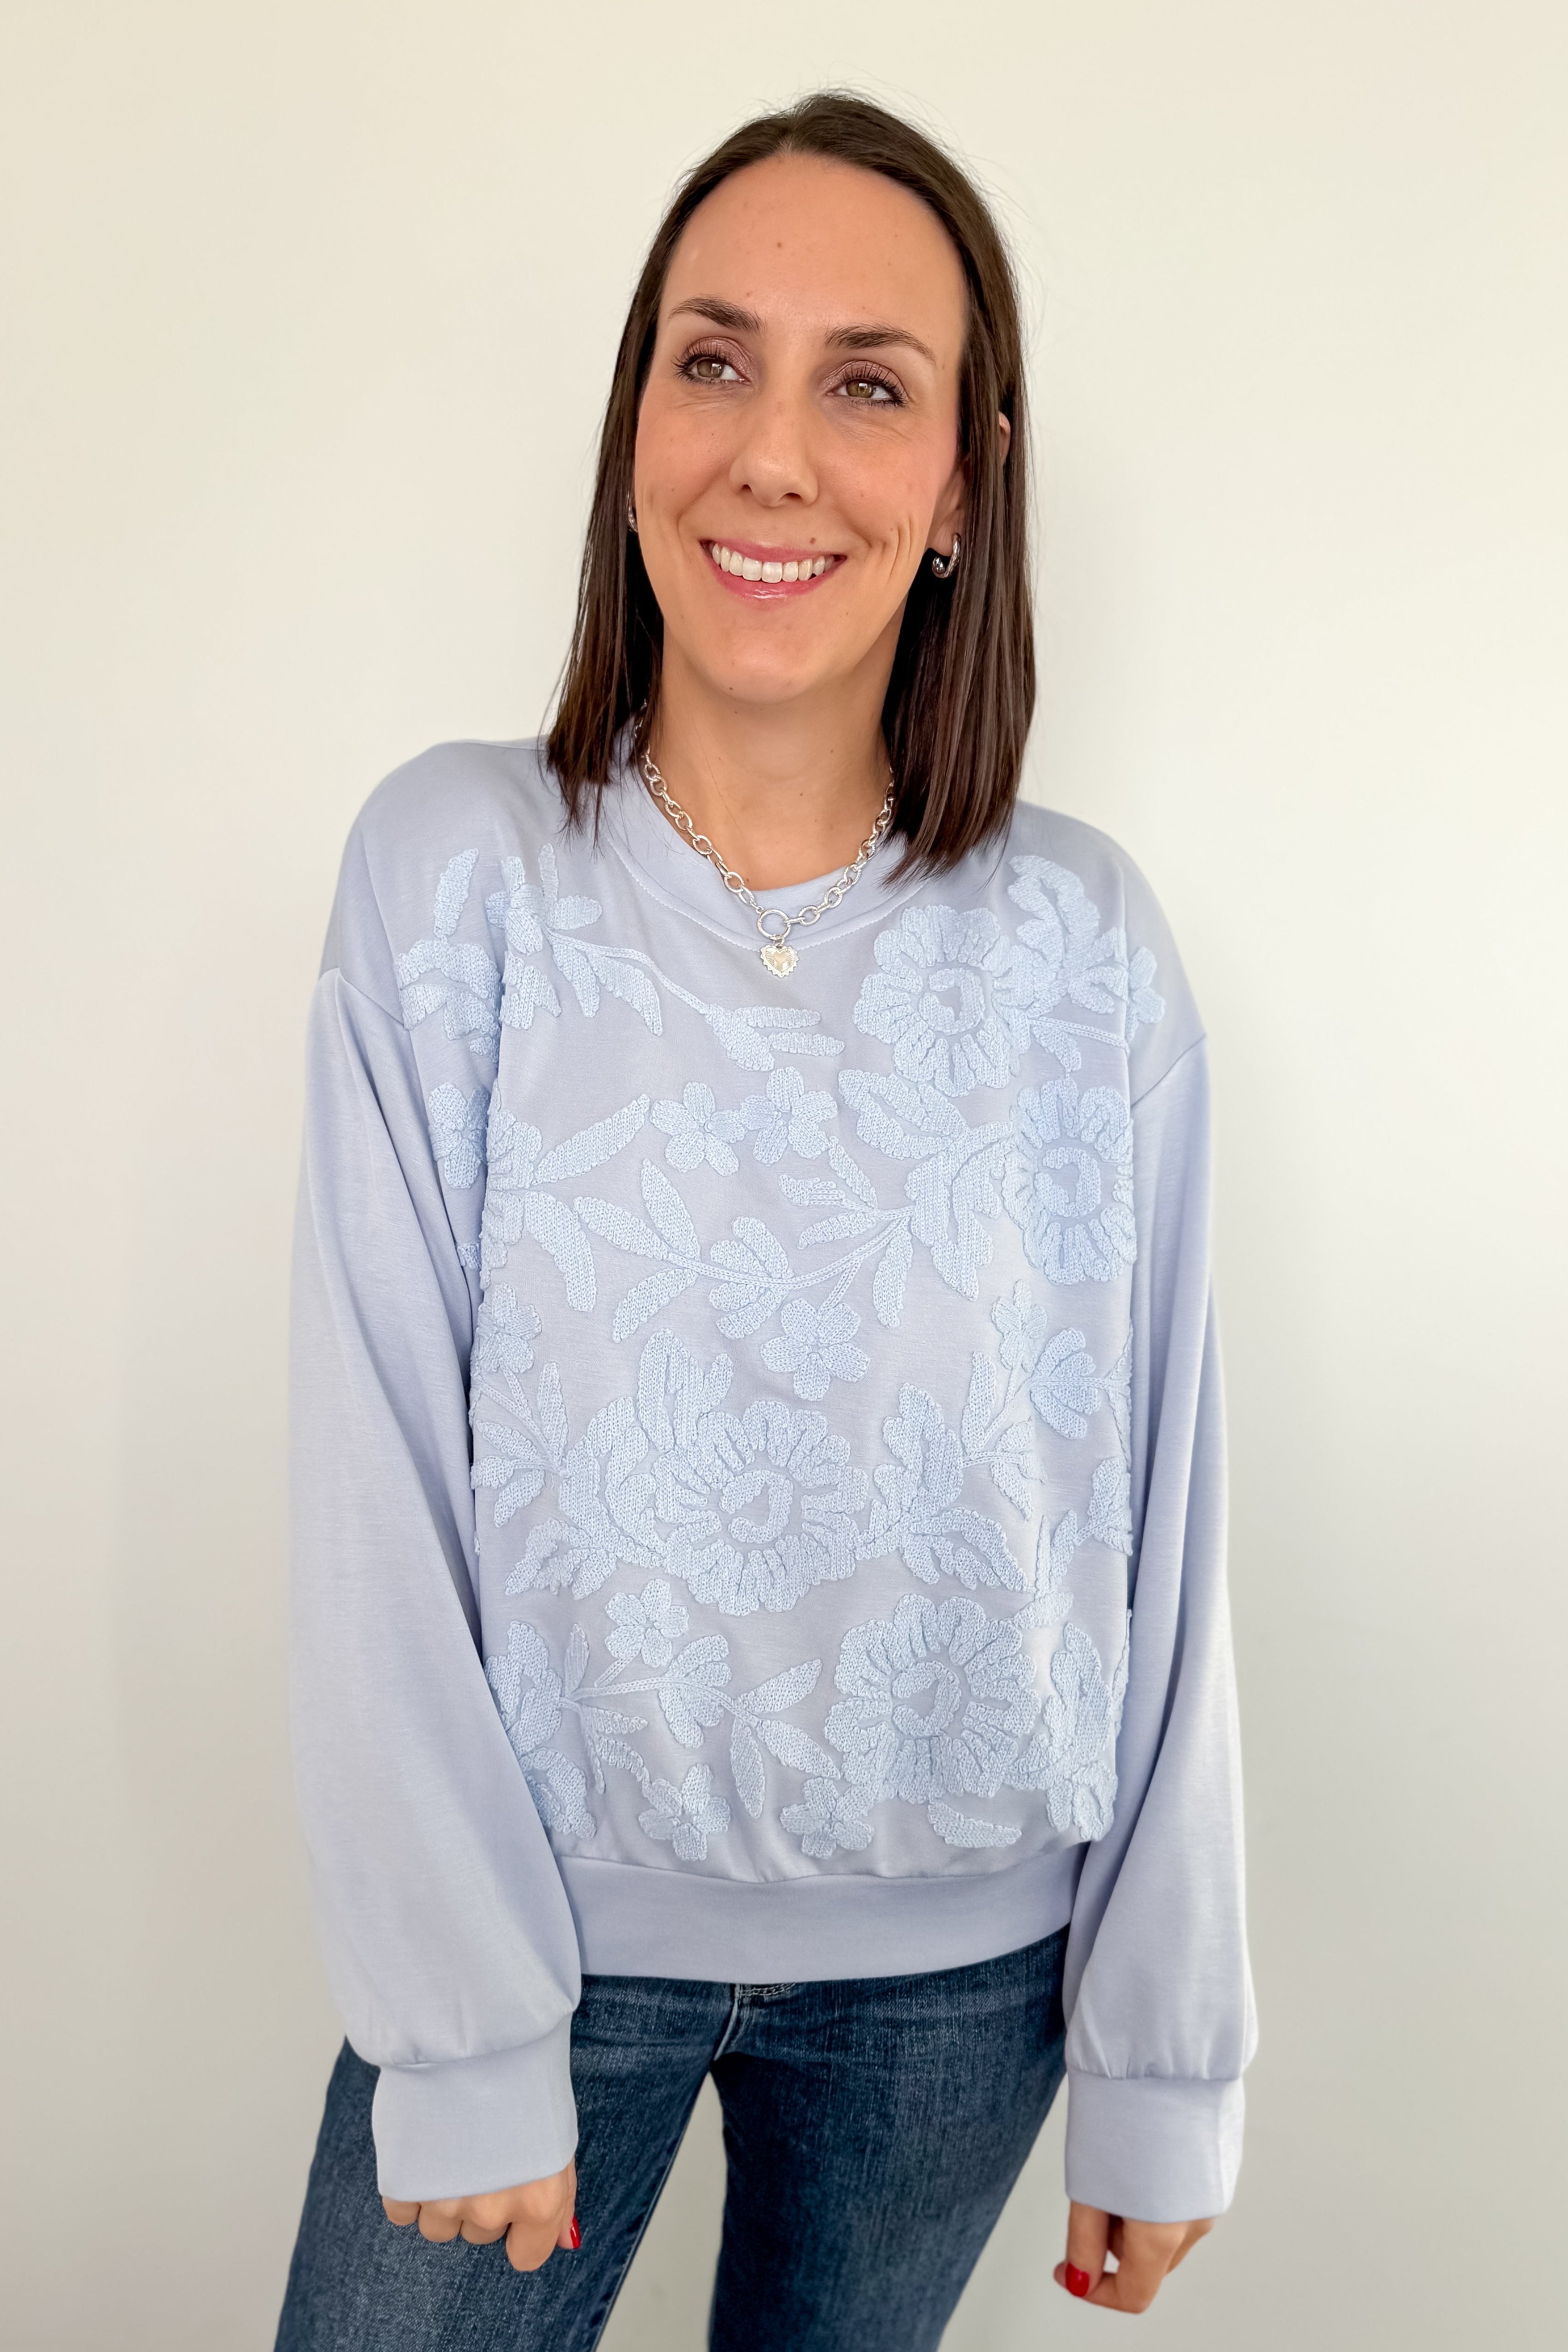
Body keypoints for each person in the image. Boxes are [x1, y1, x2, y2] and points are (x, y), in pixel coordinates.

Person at [275, 90, 1254, 2352]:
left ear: (960, 483)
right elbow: (371, 1489)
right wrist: (468, 2028)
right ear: (634, 418)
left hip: (961, 1990)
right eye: (711, 360)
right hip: (544, 1946)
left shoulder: (1084, 947)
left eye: (866, 383)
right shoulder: (453, 885)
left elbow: (1168, 1520)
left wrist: (1161, 2061)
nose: (774, 454)